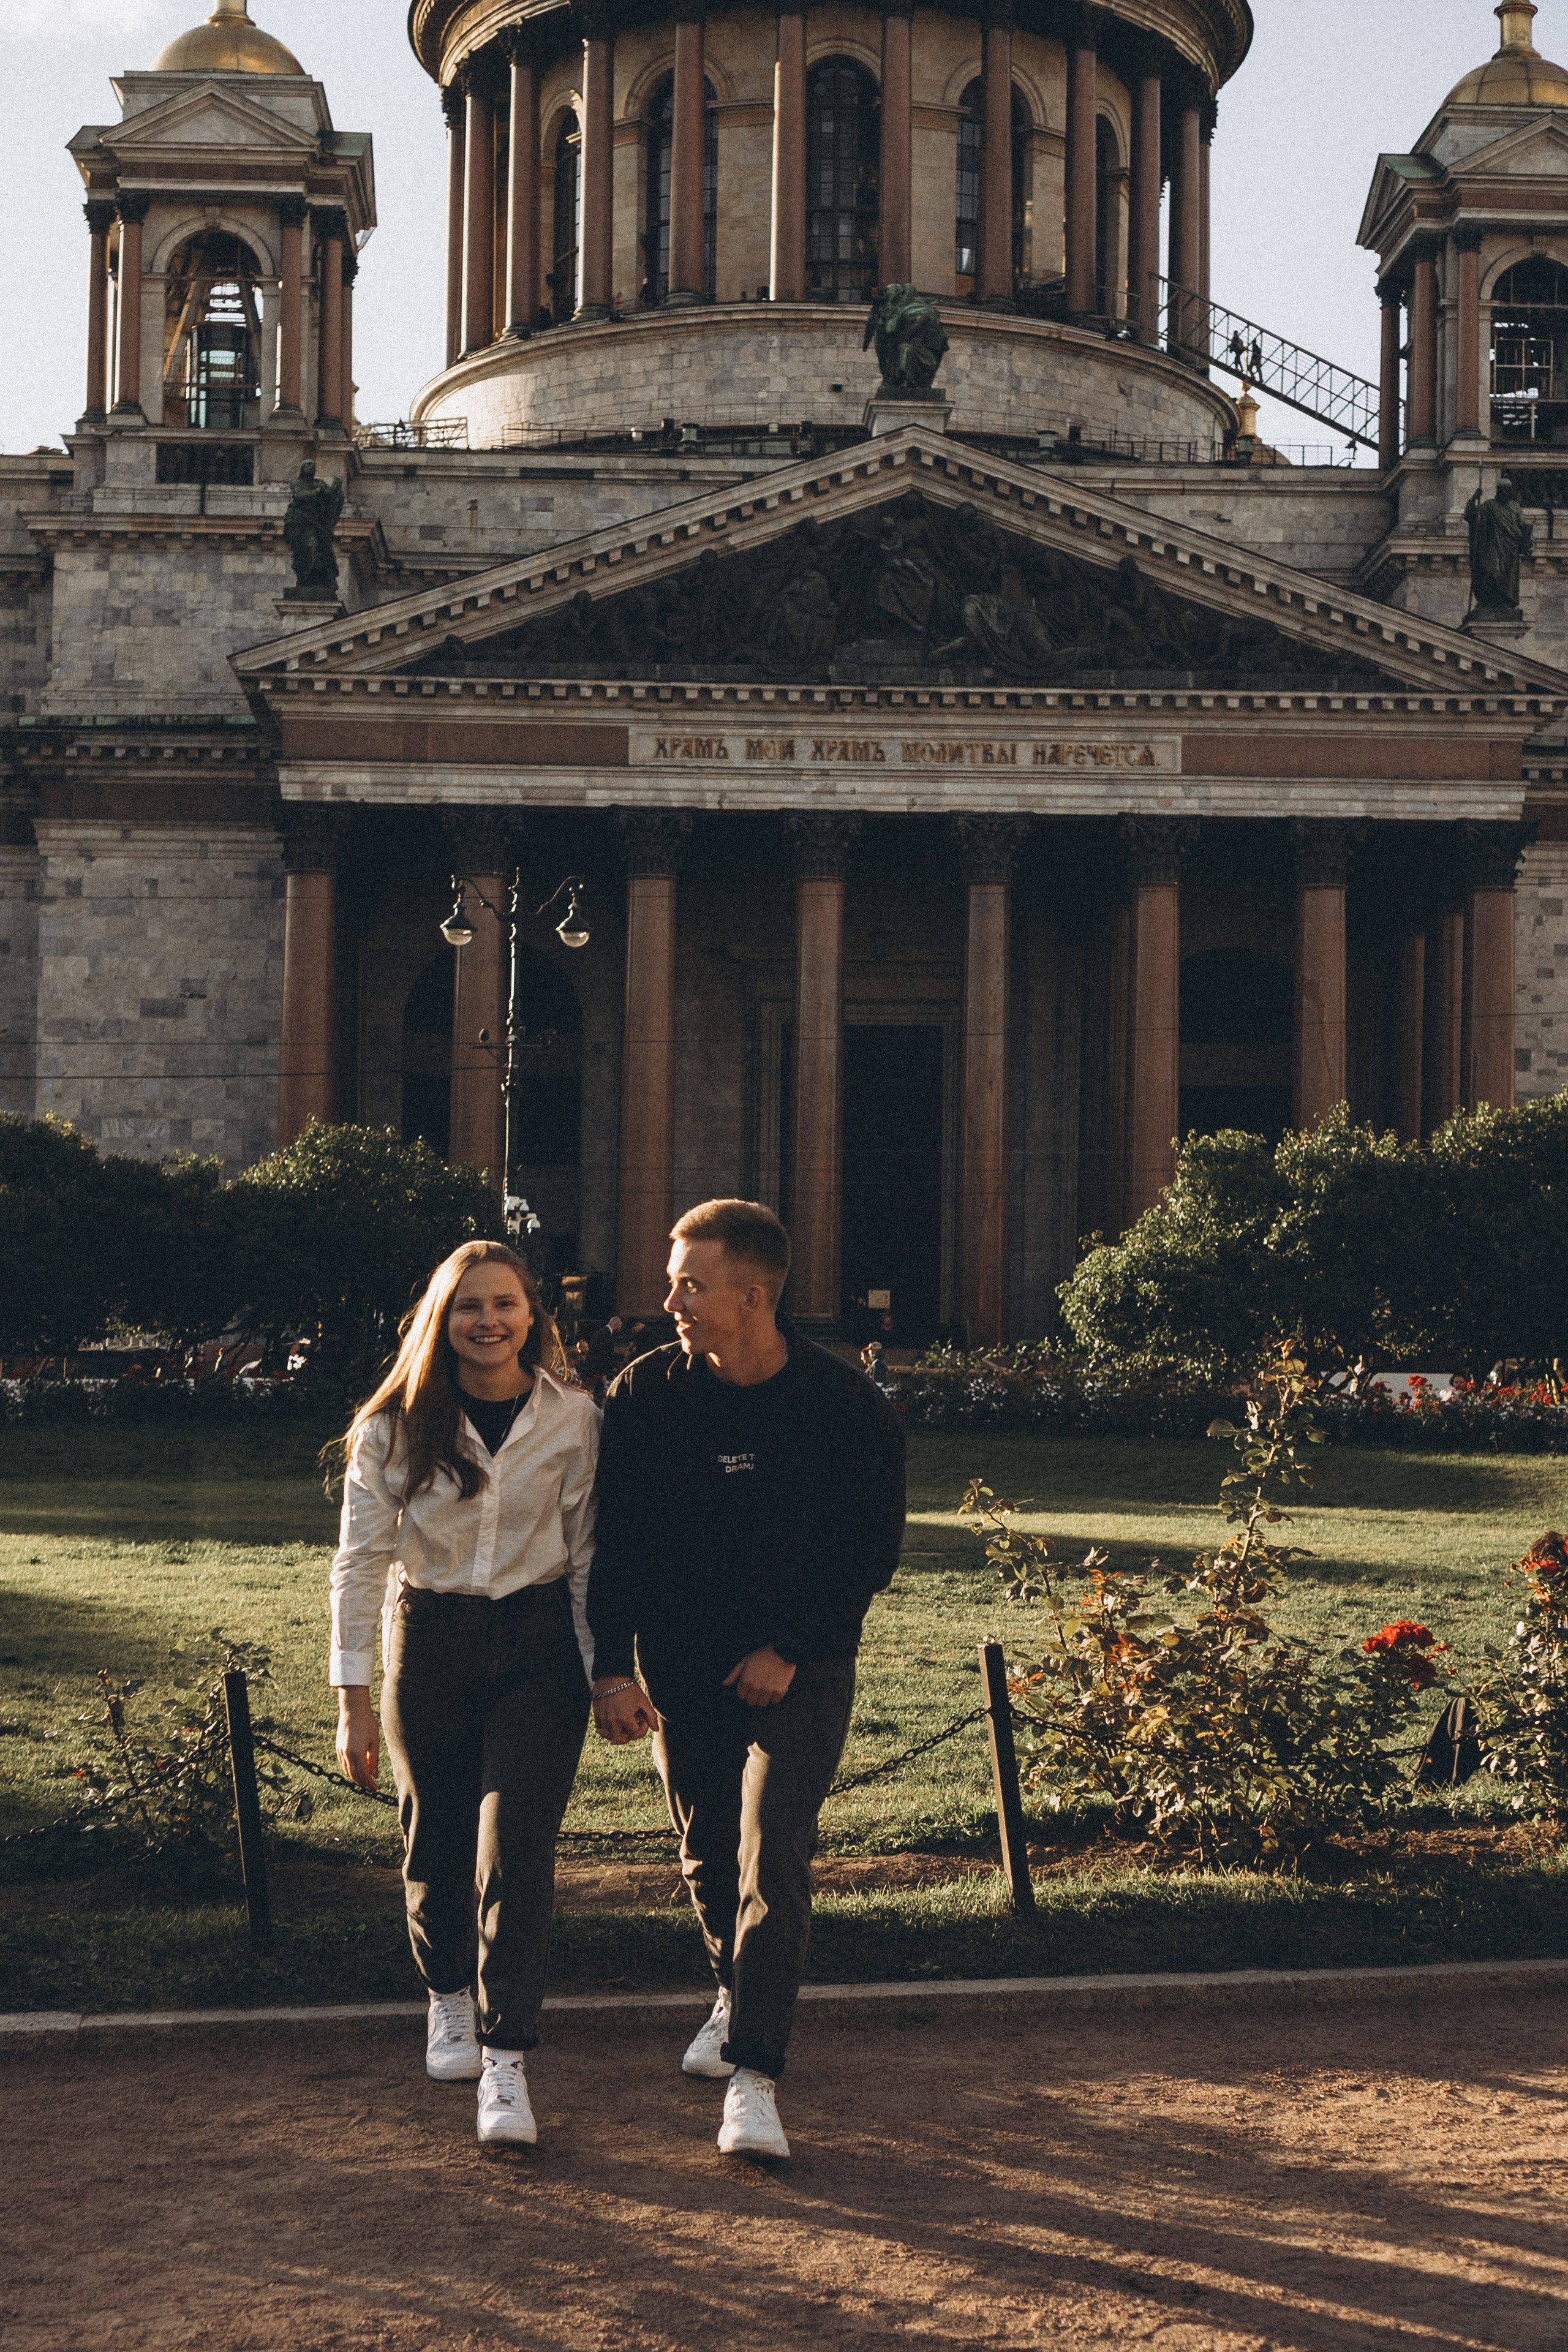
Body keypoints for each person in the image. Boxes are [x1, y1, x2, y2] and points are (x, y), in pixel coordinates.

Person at [587, 1199, 905, 2161]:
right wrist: (609, 1669)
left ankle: (756, 2079)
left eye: (690, 1282)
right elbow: (617, 1548)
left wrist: (792, 1649)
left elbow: (869, 1551)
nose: (669, 1298)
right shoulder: (645, 1396)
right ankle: (735, 1991)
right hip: (682, 1669)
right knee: (706, 1852)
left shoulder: (847, 1405)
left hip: (800, 1669)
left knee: (774, 1854)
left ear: (753, 1296)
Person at [330, 1240, 598, 2148]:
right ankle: (447, 1993)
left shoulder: (574, 1419)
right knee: (435, 1838)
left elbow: (589, 1555)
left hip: (538, 1650)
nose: (488, 1321)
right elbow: (360, 1562)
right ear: (441, 1321)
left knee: (516, 1849)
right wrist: (353, 1698)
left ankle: (507, 2058)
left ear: (534, 1315)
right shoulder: (396, 1427)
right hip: (432, 1642)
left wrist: (608, 1672)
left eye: (505, 1305)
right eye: (468, 1307)